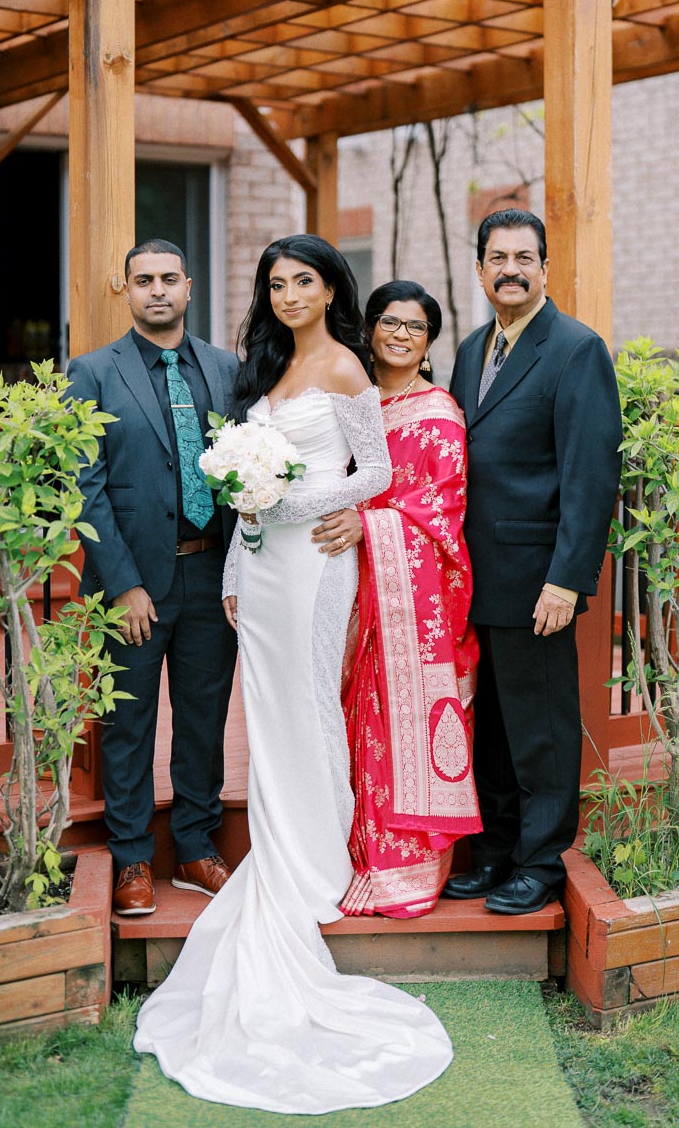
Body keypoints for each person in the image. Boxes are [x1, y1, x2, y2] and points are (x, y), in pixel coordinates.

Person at [134, 237, 453, 1114]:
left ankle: (312, 864)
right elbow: (243, 492)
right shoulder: (262, 367)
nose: (287, 296)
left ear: (329, 288)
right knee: (264, 711)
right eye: (275, 284)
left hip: (316, 562)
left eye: (302, 281)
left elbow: (374, 474)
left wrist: (289, 498)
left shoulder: (349, 367)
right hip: (262, 567)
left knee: (310, 706)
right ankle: (282, 847)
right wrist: (237, 565)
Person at [443, 208, 622, 916]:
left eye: (524, 257)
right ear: (481, 267)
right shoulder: (468, 350)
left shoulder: (576, 350)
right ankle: (493, 853)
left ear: (545, 267)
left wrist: (566, 579)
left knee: (540, 726)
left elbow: (590, 476)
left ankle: (542, 862)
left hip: (535, 580)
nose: (510, 269)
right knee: (486, 724)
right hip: (471, 580)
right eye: (497, 257)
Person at [66, 239, 238, 916]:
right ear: (126, 290)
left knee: (204, 721)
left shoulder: (227, 371)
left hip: (211, 574)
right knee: (129, 725)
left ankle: (196, 847)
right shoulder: (93, 372)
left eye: (170, 279)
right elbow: (85, 486)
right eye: (145, 280)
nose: (158, 290)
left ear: (189, 287)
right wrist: (124, 583)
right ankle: (133, 858)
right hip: (133, 586)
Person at [311, 281, 481, 919]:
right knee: (343, 718)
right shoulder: (348, 401)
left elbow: (442, 512)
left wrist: (371, 527)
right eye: (390, 322)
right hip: (343, 587)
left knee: (401, 719)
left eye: (415, 326)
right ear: (371, 329)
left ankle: (406, 868)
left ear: (430, 341)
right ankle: (346, 854)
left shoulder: (439, 413)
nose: (401, 334)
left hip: (414, 604)